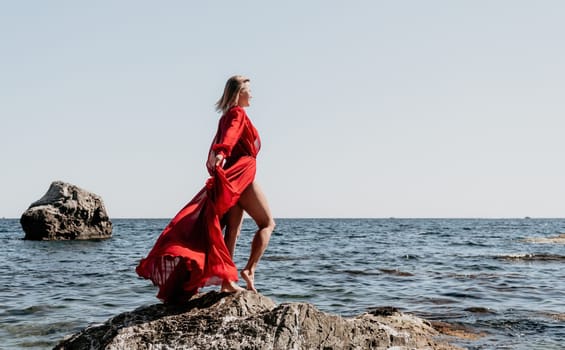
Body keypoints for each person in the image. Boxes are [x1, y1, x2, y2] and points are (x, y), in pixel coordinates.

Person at [136, 75, 275, 303]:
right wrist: (222, 151)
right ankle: (248, 270)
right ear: (239, 92)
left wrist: (221, 154)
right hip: (239, 176)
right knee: (267, 223)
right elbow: (229, 136)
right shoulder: (237, 113)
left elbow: (226, 137)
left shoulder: (227, 115)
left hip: (235, 175)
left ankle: (227, 281)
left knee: (232, 231)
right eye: (249, 90)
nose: (252, 95)